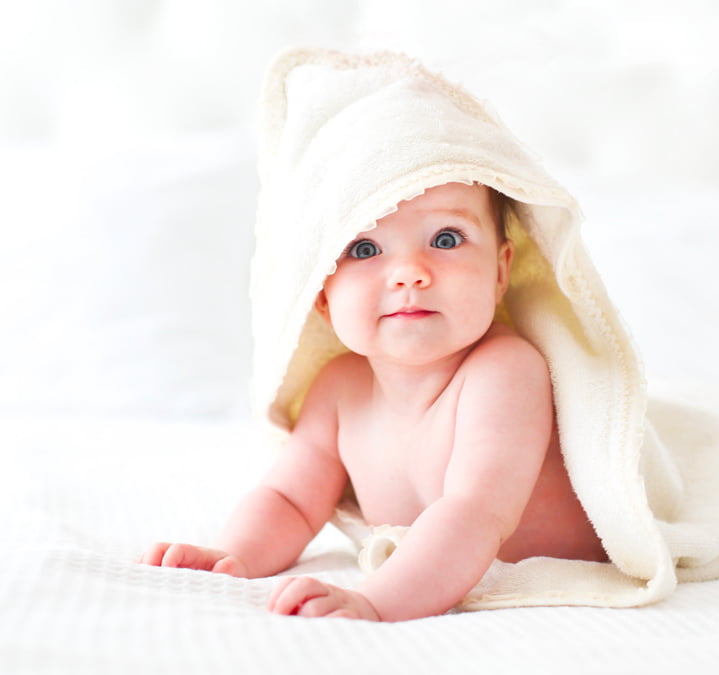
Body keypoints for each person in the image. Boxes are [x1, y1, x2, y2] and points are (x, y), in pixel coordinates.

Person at [140, 181, 606, 621]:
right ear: (323, 296)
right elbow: (290, 500)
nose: (410, 273)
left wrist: (376, 603)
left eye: (446, 239)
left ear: (500, 272)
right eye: (365, 249)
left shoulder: (504, 371)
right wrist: (234, 555)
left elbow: (475, 512)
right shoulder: (339, 389)